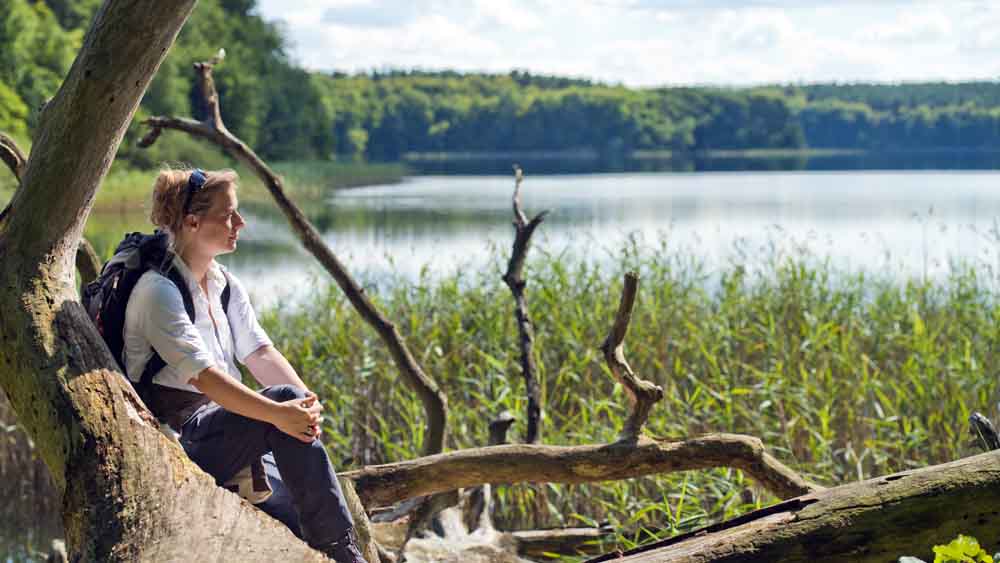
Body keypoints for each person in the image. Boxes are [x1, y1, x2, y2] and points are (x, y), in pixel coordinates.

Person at [122, 167, 365, 562]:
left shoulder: (224, 283)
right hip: (182, 440)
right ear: (192, 221)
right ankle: (343, 554)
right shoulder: (157, 292)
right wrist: (278, 411)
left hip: (227, 428)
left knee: (302, 516)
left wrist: (304, 403)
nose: (241, 223)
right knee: (285, 409)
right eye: (229, 214)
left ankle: (335, 543)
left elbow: (260, 354)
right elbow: (208, 380)